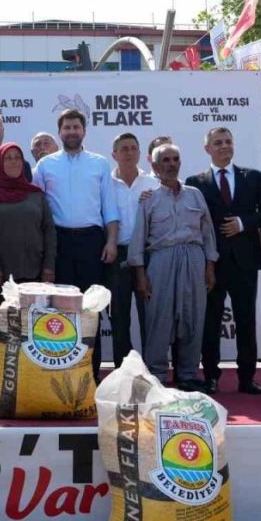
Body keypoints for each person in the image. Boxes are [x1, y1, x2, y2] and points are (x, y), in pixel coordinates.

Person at [184, 127, 261, 395]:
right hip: (212, 263)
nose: (224, 146)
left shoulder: (253, 177)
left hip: (245, 260)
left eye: (228, 142)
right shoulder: (195, 182)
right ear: (207, 149)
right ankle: (210, 376)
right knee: (210, 321)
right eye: (217, 142)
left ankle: (247, 377)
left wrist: (244, 223)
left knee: (246, 320)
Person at [33, 108, 120, 373]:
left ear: (84, 131)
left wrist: (112, 242)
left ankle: (91, 373)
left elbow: (110, 207)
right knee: (60, 310)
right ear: (59, 132)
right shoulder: (45, 165)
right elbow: (38, 209)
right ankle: (63, 372)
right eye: (67, 128)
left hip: (92, 242)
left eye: (76, 127)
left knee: (90, 309)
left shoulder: (99, 163)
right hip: (59, 243)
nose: (71, 132)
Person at [129, 143, 217, 391]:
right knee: (160, 319)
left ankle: (188, 374)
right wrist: (141, 276)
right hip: (161, 260)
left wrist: (209, 268)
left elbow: (208, 233)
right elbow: (138, 239)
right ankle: (156, 375)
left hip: (194, 258)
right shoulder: (149, 198)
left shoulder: (195, 195)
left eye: (175, 159)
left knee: (192, 317)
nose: (171, 164)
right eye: (164, 160)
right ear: (155, 167)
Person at [107, 133, 159, 369]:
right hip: (117, 255)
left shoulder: (152, 184)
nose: (129, 152)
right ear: (114, 154)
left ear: (140, 153)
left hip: (147, 256)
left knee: (149, 313)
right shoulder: (105, 184)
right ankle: (123, 368)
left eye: (133, 148)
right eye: (124, 148)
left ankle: (152, 367)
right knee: (119, 317)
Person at [0, 142, 56, 287]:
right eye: (8, 158)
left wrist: (49, 266)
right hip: (1, 275)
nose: (13, 162)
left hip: (36, 272)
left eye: (17, 157)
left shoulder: (36, 194)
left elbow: (49, 230)